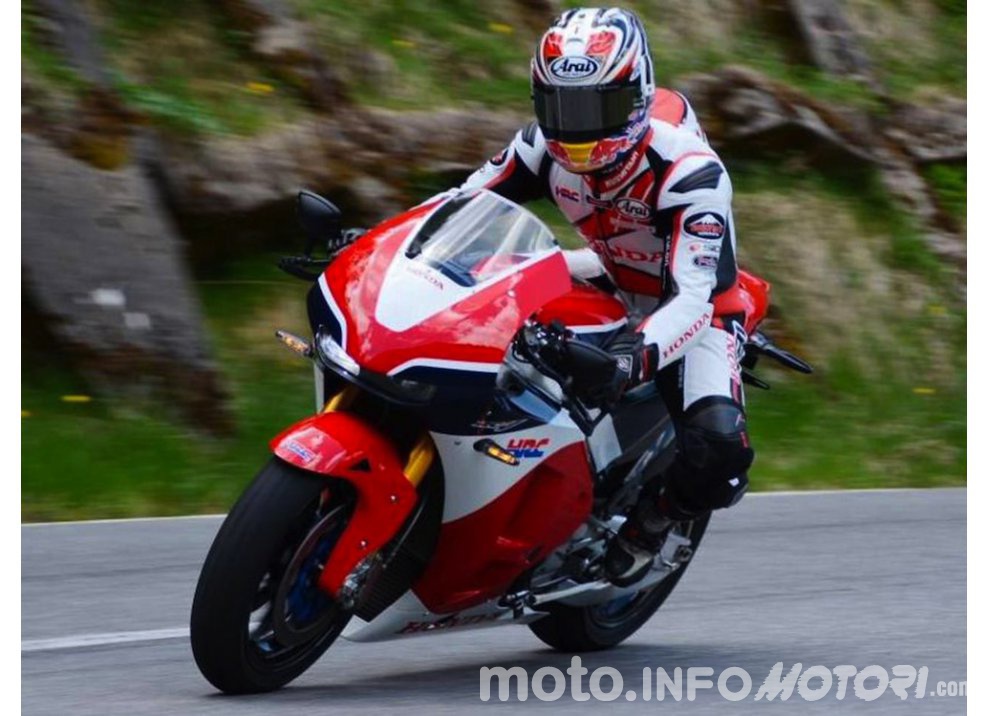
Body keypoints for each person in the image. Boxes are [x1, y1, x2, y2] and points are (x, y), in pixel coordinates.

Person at [449, 7, 753, 586]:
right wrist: (379, 243)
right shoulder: (539, 145)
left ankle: (653, 523)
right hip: (605, 272)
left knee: (721, 449)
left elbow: (693, 298)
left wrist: (633, 355)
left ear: (636, 95)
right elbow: (462, 206)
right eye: (563, 109)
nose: (578, 130)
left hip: (697, 307)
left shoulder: (690, 173)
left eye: (597, 109)